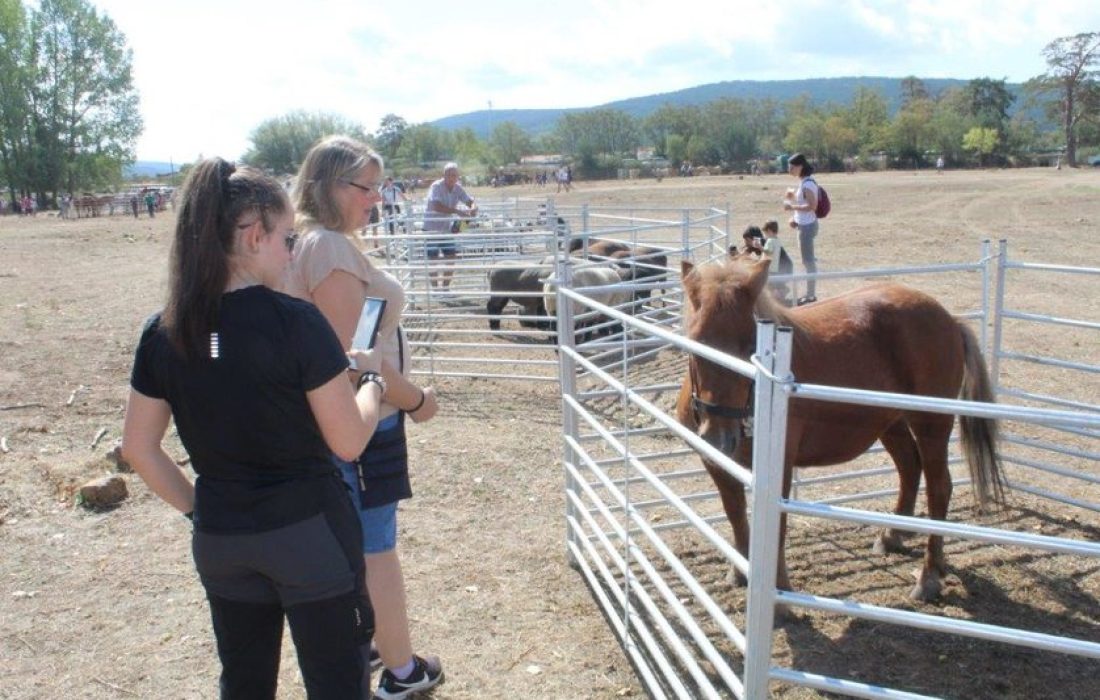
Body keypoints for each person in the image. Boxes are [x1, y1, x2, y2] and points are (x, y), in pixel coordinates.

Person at [121, 158, 383, 698]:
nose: (293, 252)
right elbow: (349, 440)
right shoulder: (296, 321)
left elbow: (139, 449)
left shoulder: (164, 330)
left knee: (243, 683)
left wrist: (201, 508)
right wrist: (374, 381)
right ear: (254, 235)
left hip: (222, 540)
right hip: (308, 534)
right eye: (288, 238)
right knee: (338, 683)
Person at [287, 136, 444, 700]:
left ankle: (376, 638)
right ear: (331, 185)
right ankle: (402, 670)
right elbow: (353, 360)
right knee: (377, 548)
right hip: (363, 418)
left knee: (358, 540)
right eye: (366, 186)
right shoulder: (327, 247)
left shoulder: (309, 242)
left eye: (378, 186)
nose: (376, 198)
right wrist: (417, 400)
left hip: (342, 417)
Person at [422, 162, 477, 290]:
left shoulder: (458, 188)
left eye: (455, 175)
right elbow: (436, 206)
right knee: (433, 259)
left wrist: (473, 208)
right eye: (450, 175)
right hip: (431, 228)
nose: (452, 178)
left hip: (446, 229)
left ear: (458, 176)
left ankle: (445, 288)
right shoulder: (436, 186)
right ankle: (435, 289)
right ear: (444, 175)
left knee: (451, 257)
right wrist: (457, 211)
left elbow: (470, 201)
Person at [782, 152, 820, 305]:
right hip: (804, 225)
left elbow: (812, 206)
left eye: (791, 167)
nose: (789, 169)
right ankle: (810, 293)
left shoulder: (808, 184)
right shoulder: (804, 182)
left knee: (808, 261)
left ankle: (811, 295)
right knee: (807, 261)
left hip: (807, 227)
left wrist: (791, 206)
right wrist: (795, 219)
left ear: (800, 167)